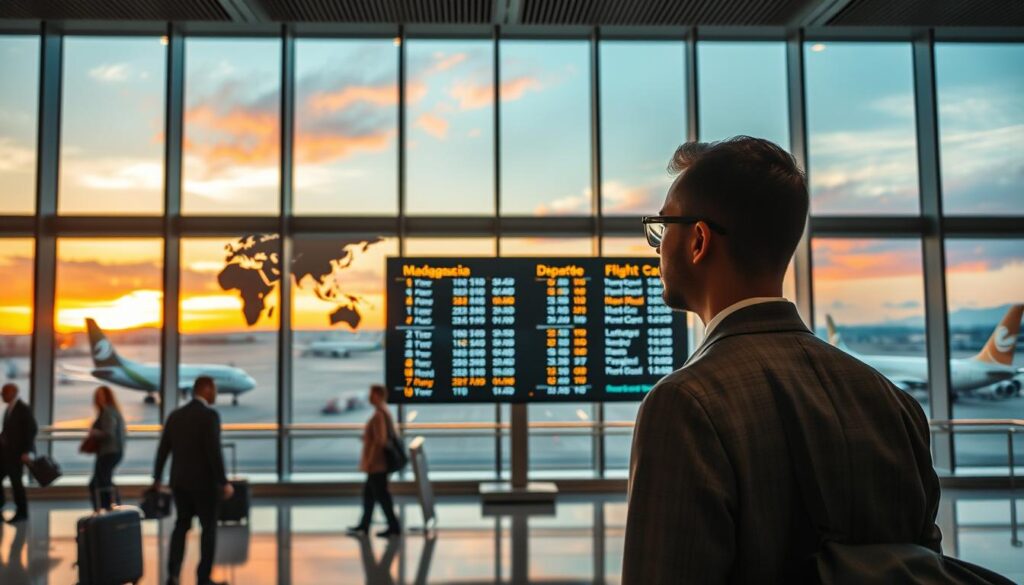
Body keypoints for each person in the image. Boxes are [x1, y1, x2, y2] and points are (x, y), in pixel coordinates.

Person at [623, 137, 941, 583]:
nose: (657, 247)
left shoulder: (685, 404)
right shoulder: (895, 404)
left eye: (663, 227)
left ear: (698, 240)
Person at [152, 376, 233, 585]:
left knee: (181, 526)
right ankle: (203, 578)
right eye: (214, 389)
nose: (215, 393)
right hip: (205, 485)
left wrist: (157, 477)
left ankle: (173, 574)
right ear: (205, 389)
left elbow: (163, 449)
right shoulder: (210, 415)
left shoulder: (176, 415)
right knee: (208, 530)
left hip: (180, 483)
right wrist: (224, 481)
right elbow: (213, 452)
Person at [347, 384, 401, 538]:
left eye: (371, 394)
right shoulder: (384, 412)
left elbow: (380, 440)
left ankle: (393, 526)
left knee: (381, 496)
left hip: (378, 464)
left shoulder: (379, 415)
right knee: (369, 495)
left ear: (377, 395)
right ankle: (364, 525)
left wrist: (370, 460)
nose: (369, 397)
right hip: (380, 463)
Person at [0, 383, 37, 524]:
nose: (2, 395)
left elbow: (32, 429)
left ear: (13, 393)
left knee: (17, 484)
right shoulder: (10, 409)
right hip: (7, 454)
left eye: (4, 392)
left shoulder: (22, 409)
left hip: (16, 455)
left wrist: (27, 451)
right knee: (15, 483)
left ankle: (22, 512)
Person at [87, 385, 126, 511]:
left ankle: (104, 508)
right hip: (114, 451)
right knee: (104, 480)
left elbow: (109, 432)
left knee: (99, 482)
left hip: (108, 452)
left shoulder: (107, 412)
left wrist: (94, 432)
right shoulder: (113, 411)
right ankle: (111, 507)